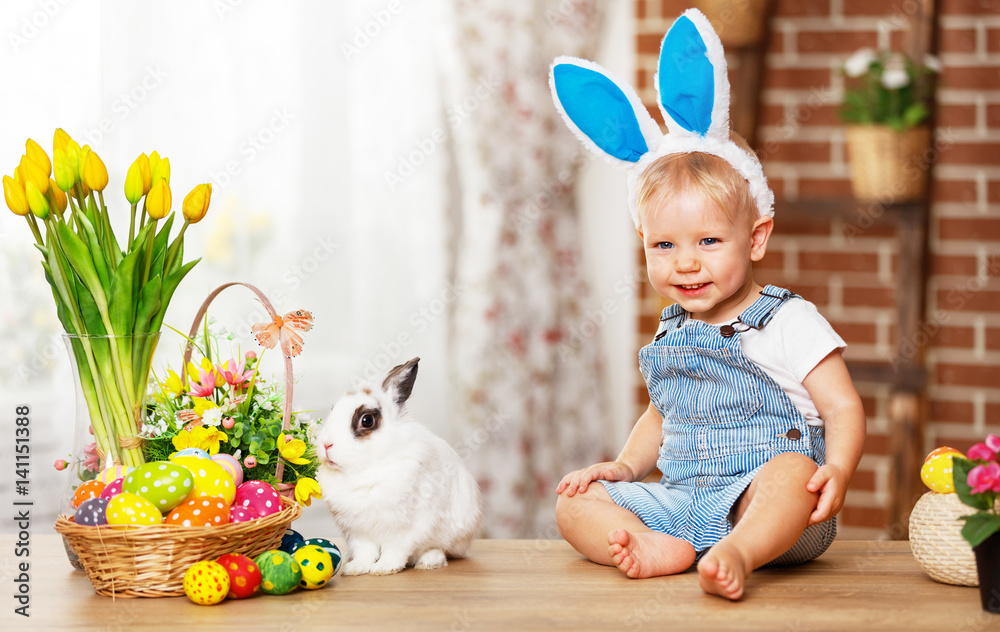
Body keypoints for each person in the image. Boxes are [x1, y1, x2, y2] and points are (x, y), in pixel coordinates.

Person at [548, 8, 866, 601]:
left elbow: (843, 407)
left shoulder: (786, 319)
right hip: (684, 500)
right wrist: (622, 468)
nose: (685, 263)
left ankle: (739, 551)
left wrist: (839, 470)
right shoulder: (672, 331)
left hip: (770, 506)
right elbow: (661, 418)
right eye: (664, 245)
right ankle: (654, 543)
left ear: (757, 238)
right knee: (573, 502)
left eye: (708, 242)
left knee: (789, 474)